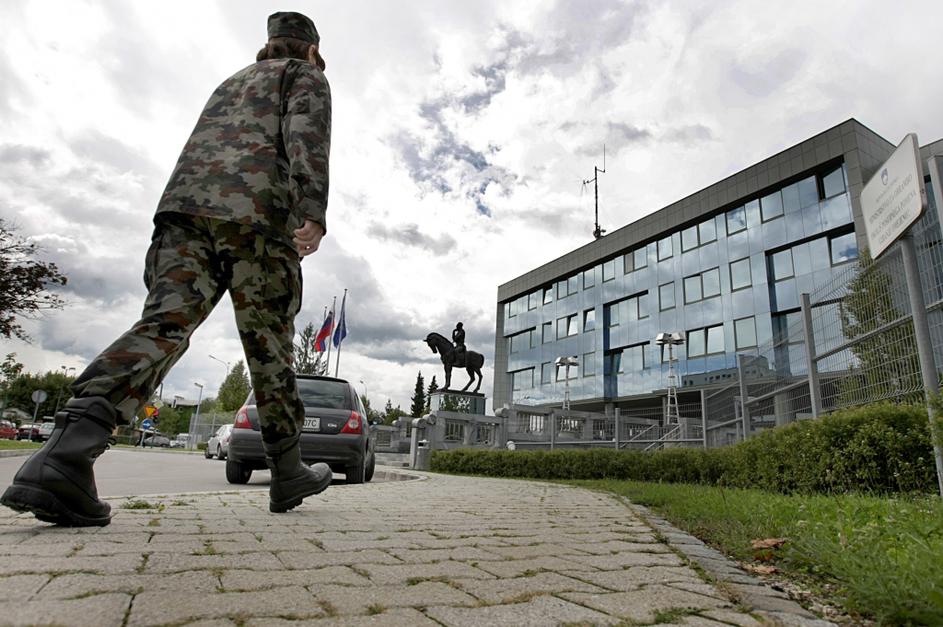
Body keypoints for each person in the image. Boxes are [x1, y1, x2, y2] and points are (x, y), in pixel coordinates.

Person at [1, 11, 333, 526]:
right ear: (310, 49)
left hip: (182, 215)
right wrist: (312, 208)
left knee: (163, 325)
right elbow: (305, 136)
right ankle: (288, 470)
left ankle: (64, 453)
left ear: (267, 44)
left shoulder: (230, 83)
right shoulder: (304, 74)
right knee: (269, 344)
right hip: (258, 219)